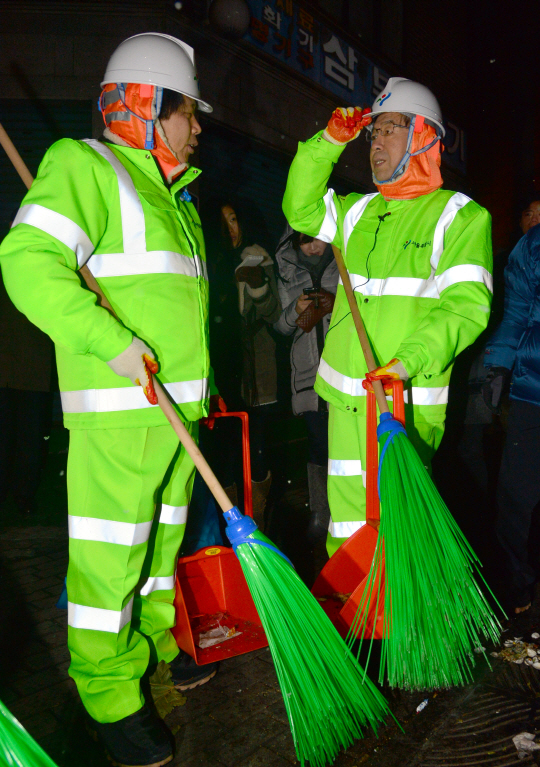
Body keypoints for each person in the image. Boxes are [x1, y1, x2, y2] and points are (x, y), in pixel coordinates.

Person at [0, 33, 218, 767]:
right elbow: (27, 263)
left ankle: (154, 643)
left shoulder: (175, 196)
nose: (197, 127)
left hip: (175, 412)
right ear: (150, 106)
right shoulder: (84, 166)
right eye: (188, 111)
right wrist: (110, 340)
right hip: (121, 408)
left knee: (160, 548)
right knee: (111, 558)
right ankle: (108, 693)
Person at [283, 78, 493, 556]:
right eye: (372, 133)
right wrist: (330, 141)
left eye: (390, 129)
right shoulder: (356, 213)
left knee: (401, 523)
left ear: (423, 136)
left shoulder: (459, 217)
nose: (375, 142)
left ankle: (402, 623)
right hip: (346, 396)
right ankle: (358, 618)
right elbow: (299, 207)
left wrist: (406, 363)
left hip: (406, 402)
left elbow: (466, 307)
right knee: (348, 525)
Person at [205, 199, 281, 526]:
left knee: (256, 451)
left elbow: (274, 313)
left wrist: (258, 284)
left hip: (255, 372)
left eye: (234, 219)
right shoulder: (206, 262)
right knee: (224, 454)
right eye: (223, 222)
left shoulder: (258, 255)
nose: (231, 229)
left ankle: (258, 521)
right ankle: (229, 525)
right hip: (219, 371)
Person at [483, 205, 540, 615]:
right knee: (517, 497)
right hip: (531, 392)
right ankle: (518, 587)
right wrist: (498, 365)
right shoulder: (531, 247)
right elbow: (516, 311)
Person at [274, 227, 337, 543]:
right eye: (305, 241)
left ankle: (348, 512)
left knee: (346, 445)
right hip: (307, 373)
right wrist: (295, 312)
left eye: (317, 238)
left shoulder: (345, 257)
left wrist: (335, 304)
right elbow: (280, 327)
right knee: (317, 442)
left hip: (343, 370)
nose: (313, 247)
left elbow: (366, 308)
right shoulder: (285, 267)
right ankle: (320, 513)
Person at [0, 213, 53, 515]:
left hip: (34, 369)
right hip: (9, 369)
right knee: (8, 435)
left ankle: (24, 496)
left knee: (30, 438)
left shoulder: (42, 259)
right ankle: (15, 495)